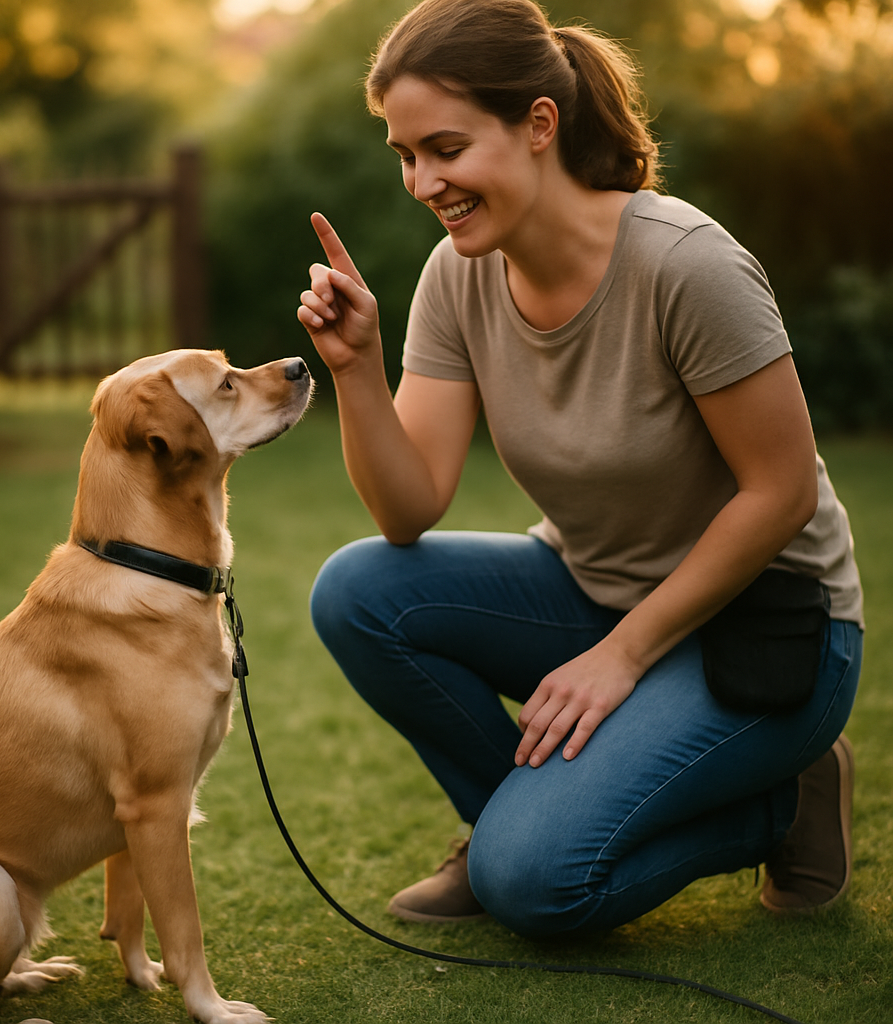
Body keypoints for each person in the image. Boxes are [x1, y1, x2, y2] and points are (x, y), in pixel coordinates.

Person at [296, 0, 863, 937]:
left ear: (539, 125)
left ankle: (784, 803)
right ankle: (501, 828)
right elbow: (407, 513)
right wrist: (356, 369)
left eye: (445, 147)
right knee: (359, 589)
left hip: (770, 625)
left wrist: (621, 656)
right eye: (404, 155)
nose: (421, 181)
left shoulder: (685, 264)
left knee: (535, 886)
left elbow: (782, 491)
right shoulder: (456, 276)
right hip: (596, 590)